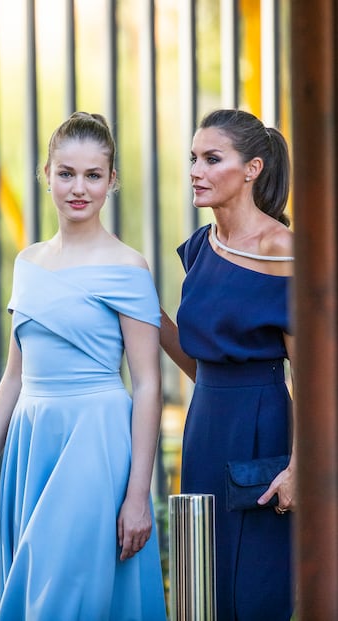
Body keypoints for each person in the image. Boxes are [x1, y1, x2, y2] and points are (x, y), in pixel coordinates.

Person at [0, 111, 167, 621]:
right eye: (66, 173)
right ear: (46, 174)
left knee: (69, 592)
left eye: (93, 175)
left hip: (96, 442)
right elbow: (13, 377)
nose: (79, 188)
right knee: (33, 595)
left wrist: (139, 493)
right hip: (32, 444)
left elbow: (147, 382)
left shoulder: (128, 266)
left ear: (111, 180)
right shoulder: (26, 262)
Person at [161, 109, 295, 620]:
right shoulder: (200, 247)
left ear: (252, 169)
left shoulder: (283, 250)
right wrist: (141, 312)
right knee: (201, 583)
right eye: (193, 158)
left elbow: (308, 374)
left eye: (211, 159)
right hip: (204, 426)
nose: (196, 170)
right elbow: (201, 363)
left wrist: (300, 468)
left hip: (264, 427)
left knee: (257, 583)